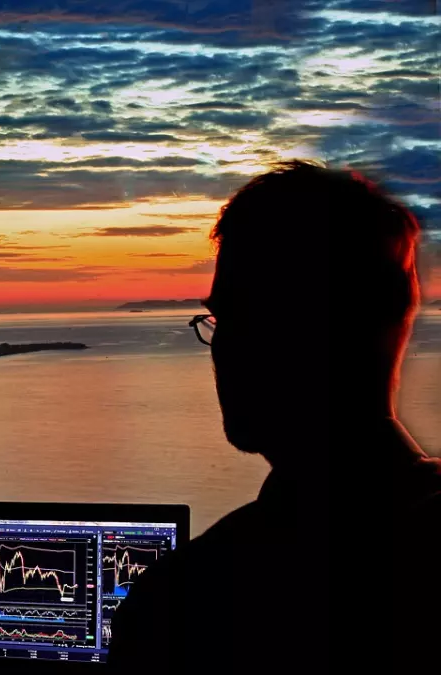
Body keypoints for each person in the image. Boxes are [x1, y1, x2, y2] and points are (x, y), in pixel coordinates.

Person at [108, 161, 439, 671]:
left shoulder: (189, 601)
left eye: (254, 315)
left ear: (342, 327)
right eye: (223, 319)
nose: (227, 349)